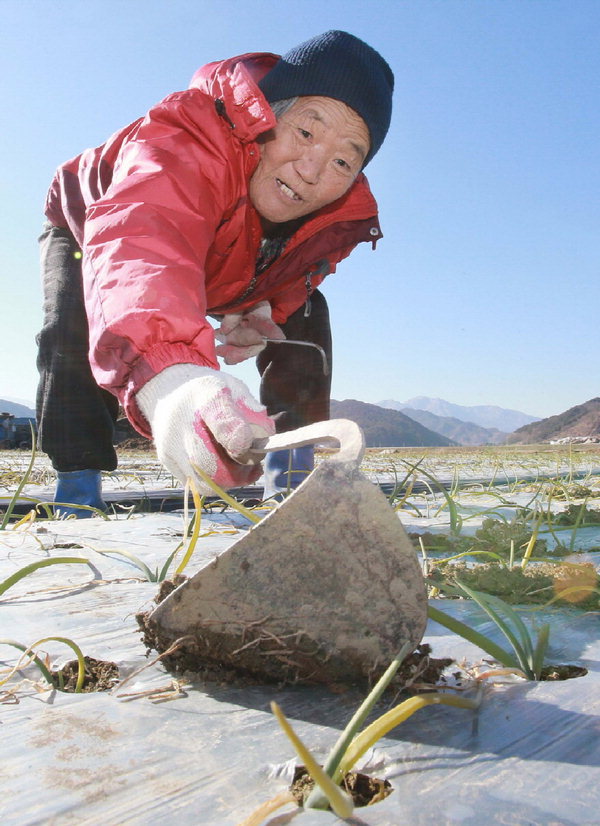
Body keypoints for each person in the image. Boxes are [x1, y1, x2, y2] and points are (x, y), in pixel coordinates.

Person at [36, 30, 393, 516]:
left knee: (308, 314)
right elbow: (145, 233)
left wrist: (263, 305)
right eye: (306, 132)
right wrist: (173, 378)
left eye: (342, 160)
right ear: (267, 114)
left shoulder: (333, 218)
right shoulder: (192, 133)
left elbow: (298, 272)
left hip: (219, 256)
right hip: (96, 228)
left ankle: (290, 478)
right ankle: (77, 495)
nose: (311, 169)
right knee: (71, 328)